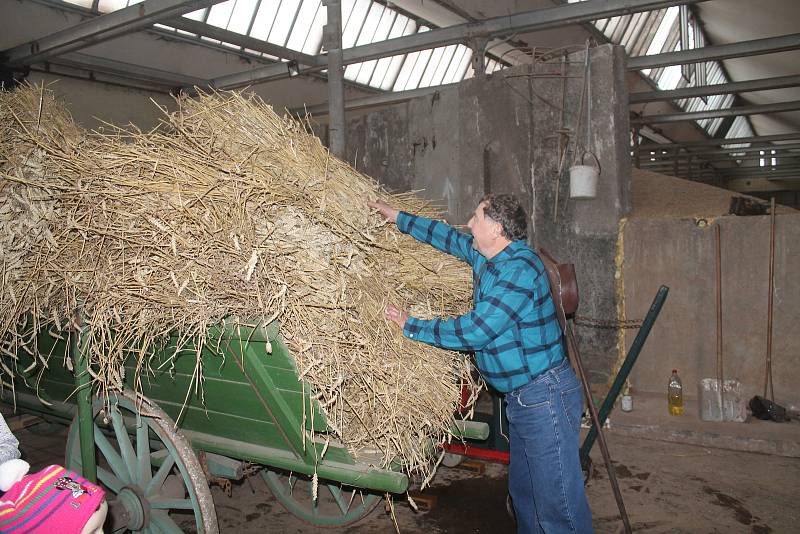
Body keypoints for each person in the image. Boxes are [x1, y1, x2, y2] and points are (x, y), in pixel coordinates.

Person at [369, 194, 593, 533]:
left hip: (545, 398)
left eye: (476, 217)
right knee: (526, 498)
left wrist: (411, 325)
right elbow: (448, 238)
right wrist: (397, 216)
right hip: (524, 400)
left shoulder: (519, 270)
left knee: (557, 508)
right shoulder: (487, 254)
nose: (469, 223)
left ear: (497, 228)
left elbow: (476, 331)